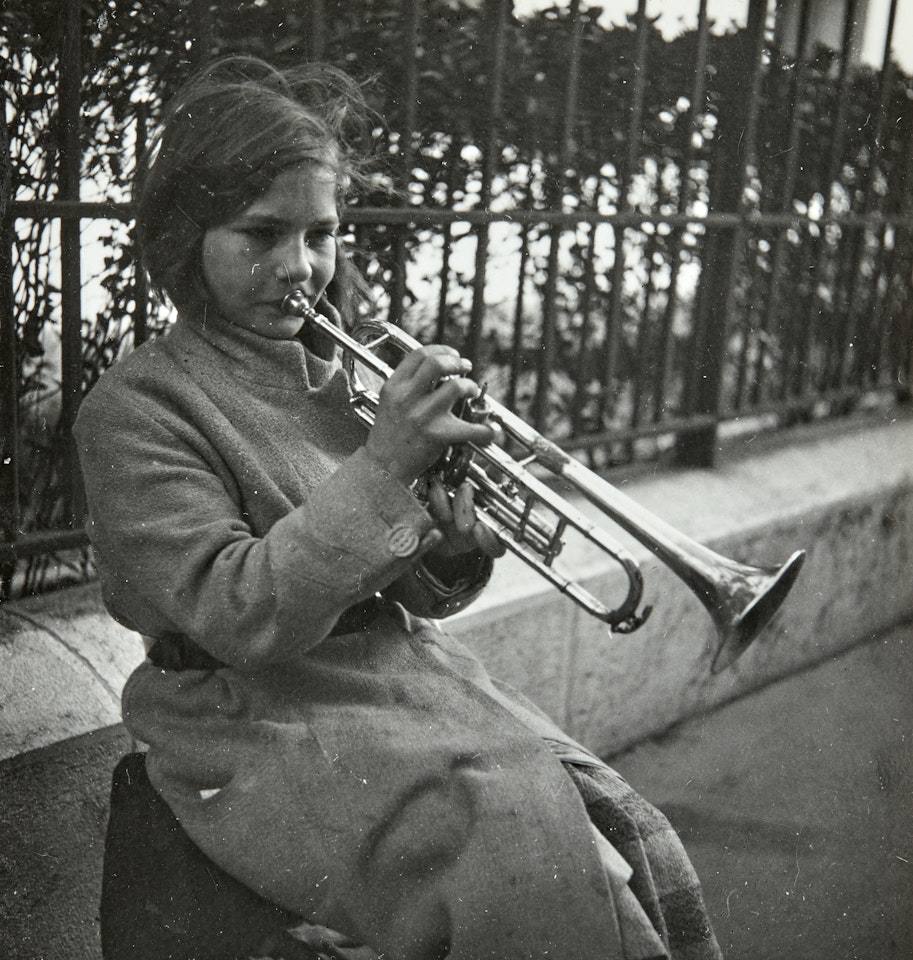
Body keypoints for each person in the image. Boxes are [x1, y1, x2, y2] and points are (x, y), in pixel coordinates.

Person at [75, 55, 723, 960]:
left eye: (321, 234)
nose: (298, 269)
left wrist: (451, 551)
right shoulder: (139, 408)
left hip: (392, 685)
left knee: (624, 828)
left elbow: (398, 595)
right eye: (260, 235)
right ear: (186, 237)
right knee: (527, 860)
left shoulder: (342, 373)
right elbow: (236, 615)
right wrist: (386, 466)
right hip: (245, 719)